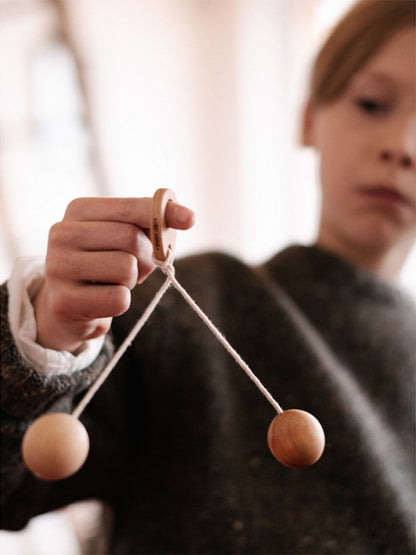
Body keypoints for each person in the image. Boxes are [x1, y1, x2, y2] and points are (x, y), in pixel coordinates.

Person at [1, 0, 415, 553]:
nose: (402, 147)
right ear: (310, 118)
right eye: (372, 104)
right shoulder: (188, 309)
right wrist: (46, 339)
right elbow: (12, 485)